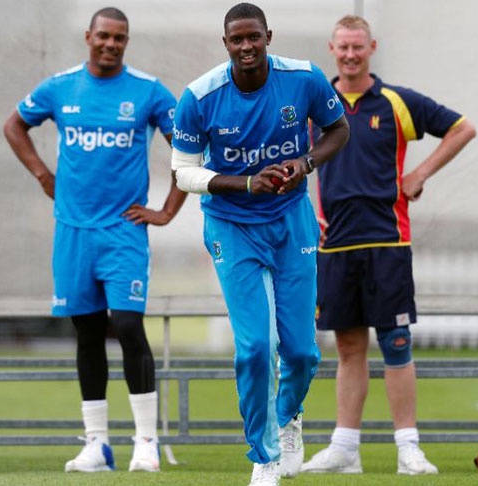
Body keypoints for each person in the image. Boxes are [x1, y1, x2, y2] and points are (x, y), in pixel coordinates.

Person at [170, 3, 349, 485]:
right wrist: (246, 183)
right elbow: (182, 171)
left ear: (268, 36)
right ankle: (264, 456)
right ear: (224, 43)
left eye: (254, 37)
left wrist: (305, 165)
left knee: (302, 353)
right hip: (232, 226)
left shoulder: (305, 78)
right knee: (254, 348)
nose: (246, 46)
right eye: (236, 39)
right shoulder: (200, 96)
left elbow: (339, 130)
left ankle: (289, 419)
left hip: (291, 222)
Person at [2, 7, 186, 473]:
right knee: (85, 334)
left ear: (127, 41)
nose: (111, 43)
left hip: (124, 230)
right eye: (103, 35)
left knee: (126, 325)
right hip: (73, 231)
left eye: (119, 37)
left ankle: (145, 441)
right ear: (89, 36)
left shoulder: (147, 90)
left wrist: (165, 210)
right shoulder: (60, 87)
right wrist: (43, 173)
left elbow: (186, 144)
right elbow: (14, 125)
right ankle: (97, 446)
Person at [301, 15, 477, 476]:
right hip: (334, 245)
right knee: (348, 349)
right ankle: (345, 450)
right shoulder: (317, 104)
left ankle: (407, 449)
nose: (351, 54)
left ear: (371, 47)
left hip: (388, 242)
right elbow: (293, 164)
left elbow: (462, 128)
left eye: (358, 47)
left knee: (396, 343)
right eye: (343, 47)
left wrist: (419, 174)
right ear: (332, 48)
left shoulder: (398, 101)